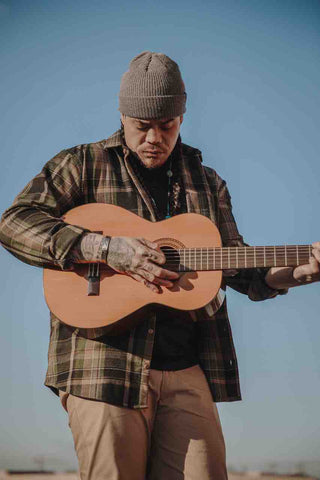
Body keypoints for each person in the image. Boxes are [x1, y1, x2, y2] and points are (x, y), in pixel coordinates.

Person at [0, 51, 319, 480]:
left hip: (188, 369)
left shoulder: (207, 182)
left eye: (166, 125)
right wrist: (104, 248)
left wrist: (299, 272)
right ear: (122, 114)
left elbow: (240, 268)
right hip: (102, 367)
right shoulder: (81, 163)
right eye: (141, 125)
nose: (154, 137)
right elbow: (14, 223)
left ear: (182, 117)